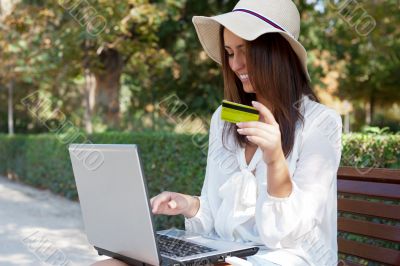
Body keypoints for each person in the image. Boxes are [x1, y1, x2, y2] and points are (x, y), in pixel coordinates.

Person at [93, 0, 342, 265]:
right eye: (230, 53)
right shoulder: (224, 120)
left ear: (277, 52)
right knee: (108, 263)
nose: (235, 65)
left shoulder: (321, 123)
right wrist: (189, 205)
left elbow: (285, 233)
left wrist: (275, 161)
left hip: (285, 257)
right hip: (224, 255)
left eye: (244, 51)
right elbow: (214, 211)